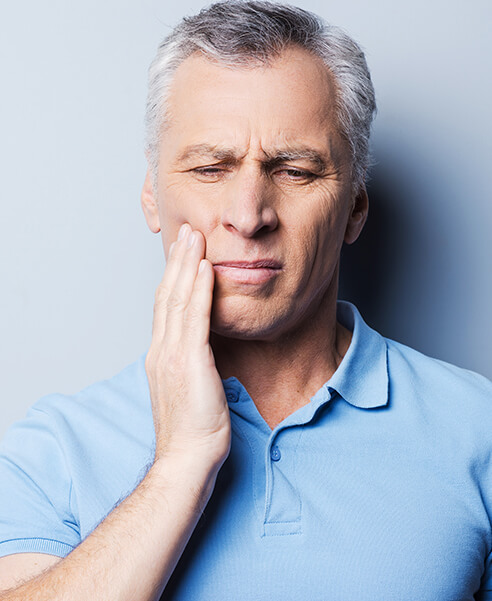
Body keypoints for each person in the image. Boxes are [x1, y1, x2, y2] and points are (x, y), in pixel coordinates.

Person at [0, 1, 491, 599]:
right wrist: (181, 463)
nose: (247, 216)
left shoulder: (478, 430)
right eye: (211, 167)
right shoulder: (53, 448)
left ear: (355, 208)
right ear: (152, 198)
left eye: (295, 171)